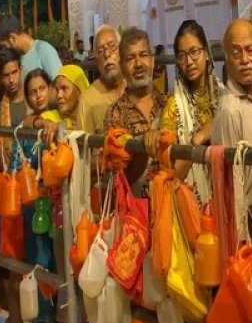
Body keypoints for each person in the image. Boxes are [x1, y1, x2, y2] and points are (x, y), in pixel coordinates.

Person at [212, 19, 252, 245]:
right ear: (226, 59)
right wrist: (241, 241)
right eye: (236, 53)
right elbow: (228, 185)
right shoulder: (229, 109)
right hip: (249, 224)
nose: (245, 60)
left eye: (250, 50)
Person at [160, 20, 221, 203]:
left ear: (207, 53)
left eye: (194, 52)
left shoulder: (225, 99)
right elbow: (170, 176)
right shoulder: (174, 107)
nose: (189, 62)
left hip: (226, 194)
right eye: (182, 55)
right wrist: (197, 141)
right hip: (191, 204)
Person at [104, 28, 167, 196]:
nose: (138, 64)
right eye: (130, 58)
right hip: (135, 215)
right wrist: (143, 146)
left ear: (153, 61)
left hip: (171, 210)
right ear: (122, 67)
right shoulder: (115, 114)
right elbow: (119, 180)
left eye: (143, 55)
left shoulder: (168, 106)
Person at [77, 25, 126, 134]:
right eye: (100, 51)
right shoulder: (87, 100)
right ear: (96, 60)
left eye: (112, 47)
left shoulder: (134, 88)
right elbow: (84, 146)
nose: (107, 54)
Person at [29, 64, 89, 143]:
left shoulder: (91, 117)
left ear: (78, 91)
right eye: (57, 90)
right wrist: (44, 123)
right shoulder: (55, 117)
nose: (59, 95)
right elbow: (26, 121)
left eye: (64, 88)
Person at [0, 14, 62, 81]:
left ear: (12, 38)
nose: (4, 51)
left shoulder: (44, 50)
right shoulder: (17, 59)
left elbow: (59, 84)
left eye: (4, 46)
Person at [0, 48, 27, 127]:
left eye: (14, 72)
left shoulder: (34, 99)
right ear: (0, 78)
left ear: (21, 70)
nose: (11, 80)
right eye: (6, 75)